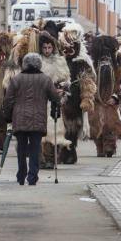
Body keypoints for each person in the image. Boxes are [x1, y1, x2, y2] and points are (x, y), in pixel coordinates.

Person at [2, 52, 62, 186]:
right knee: (35, 149)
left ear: (24, 64)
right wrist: (55, 111)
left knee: (21, 149)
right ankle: (32, 177)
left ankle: (21, 175)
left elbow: (8, 100)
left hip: (20, 119)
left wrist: (7, 117)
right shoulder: (45, 79)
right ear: (39, 64)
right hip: (38, 120)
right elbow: (55, 98)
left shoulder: (16, 79)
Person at [58, 24, 97, 164]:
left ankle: (69, 151)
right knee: (59, 128)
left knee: (71, 129)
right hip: (59, 100)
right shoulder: (58, 61)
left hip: (74, 102)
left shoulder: (82, 63)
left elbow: (87, 82)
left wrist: (87, 98)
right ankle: (60, 152)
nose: (68, 51)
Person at [89, 35, 121, 157]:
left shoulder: (117, 67)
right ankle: (100, 146)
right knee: (97, 124)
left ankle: (110, 146)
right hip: (97, 100)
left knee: (110, 123)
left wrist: (116, 97)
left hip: (111, 100)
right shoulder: (93, 67)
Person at [38, 30, 71, 169]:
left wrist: (63, 88)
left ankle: (51, 159)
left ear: (53, 47)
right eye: (44, 48)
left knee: (55, 129)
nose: (47, 50)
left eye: (49, 47)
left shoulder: (60, 61)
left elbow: (67, 80)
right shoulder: (37, 61)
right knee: (41, 131)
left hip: (55, 101)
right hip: (40, 101)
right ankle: (41, 159)